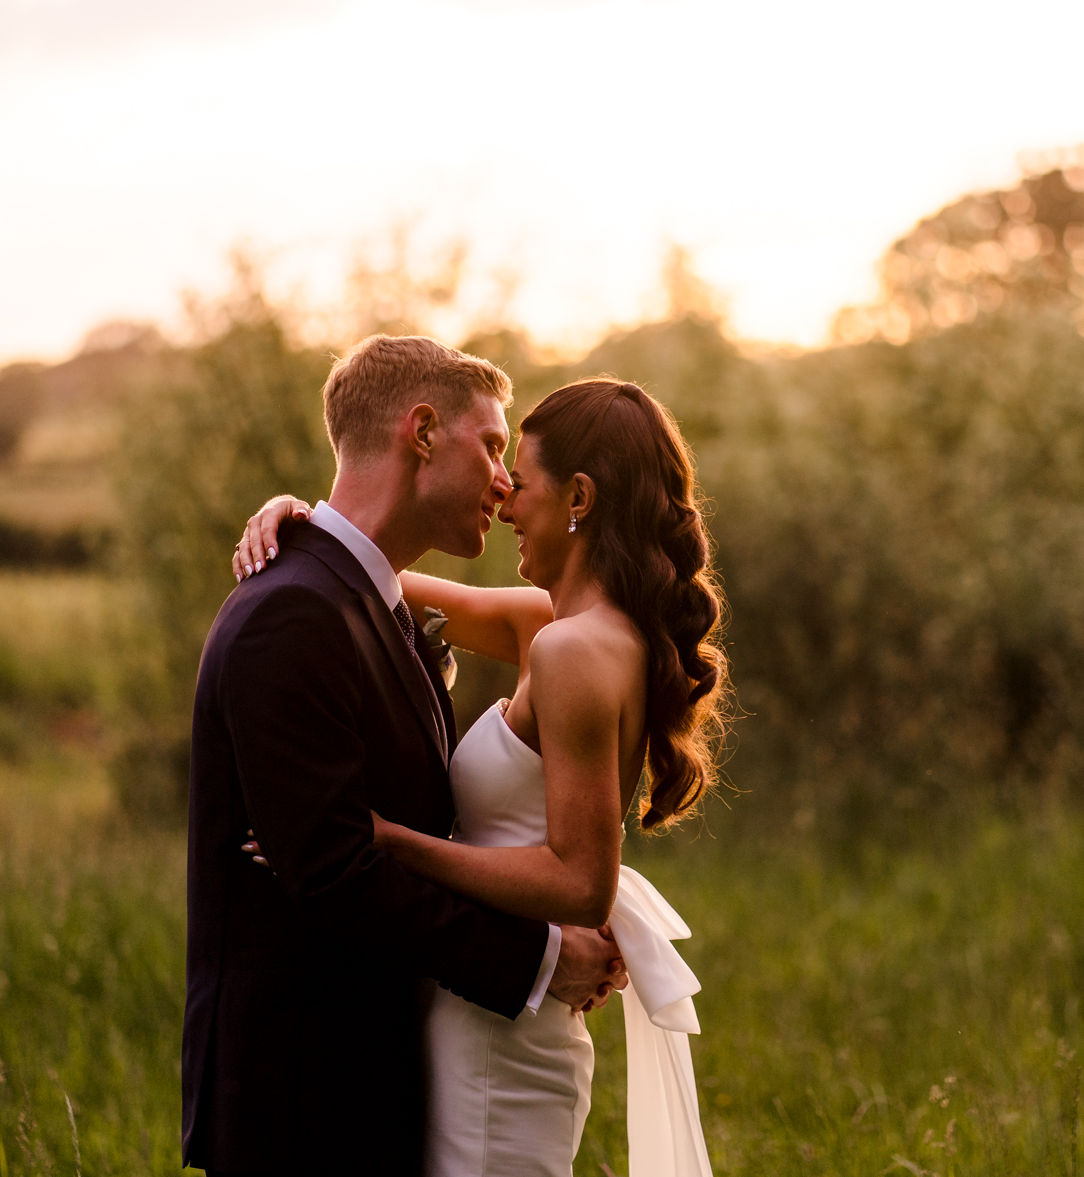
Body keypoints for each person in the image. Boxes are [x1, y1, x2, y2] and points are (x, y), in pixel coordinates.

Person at [233, 373, 726, 1177]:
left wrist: (391, 839)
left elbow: (580, 884)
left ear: (580, 497)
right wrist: (297, 514)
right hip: (481, 1011)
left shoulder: (572, 650)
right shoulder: (555, 626)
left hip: (504, 1037)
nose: (503, 502)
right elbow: (360, 577)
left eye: (520, 481)